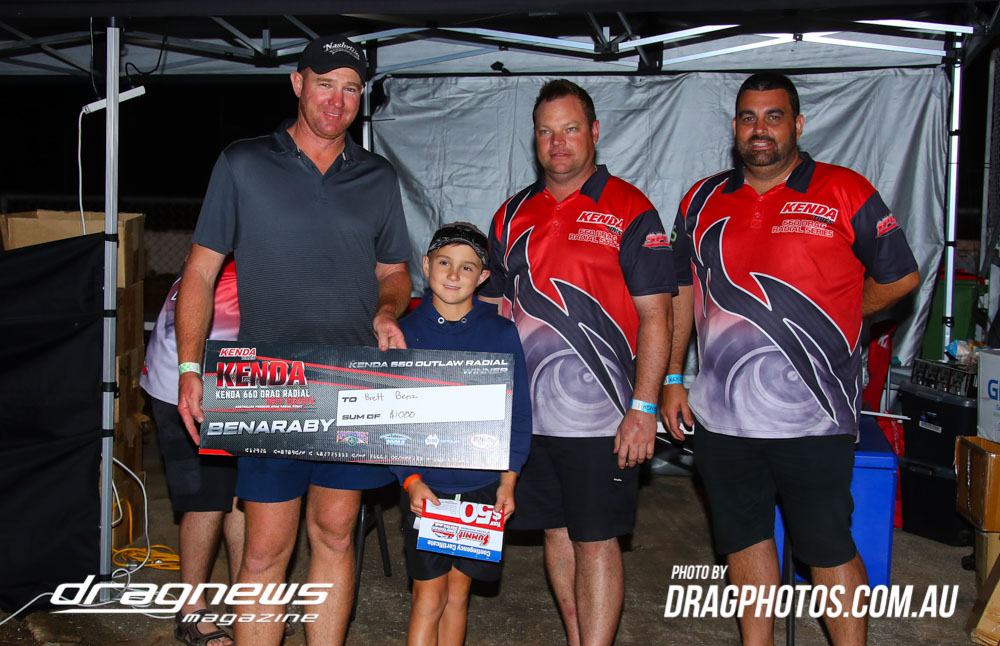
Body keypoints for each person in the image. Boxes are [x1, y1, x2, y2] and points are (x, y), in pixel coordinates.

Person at [661, 73, 920, 646]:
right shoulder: (700, 199)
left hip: (815, 413)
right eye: (748, 118)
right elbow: (682, 290)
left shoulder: (845, 190)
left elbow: (901, 275)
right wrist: (674, 375)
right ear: (735, 127)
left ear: (797, 125)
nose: (760, 129)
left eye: (774, 117)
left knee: (826, 544)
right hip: (723, 416)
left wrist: (844, 316)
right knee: (743, 540)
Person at [174, 34, 412, 646]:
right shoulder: (243, 162)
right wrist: (189, 369)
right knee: (263, 550)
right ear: (298, 83)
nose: (337, 100)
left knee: (335, 535)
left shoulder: (378, 176)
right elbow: (199, 272)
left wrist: (388, 311)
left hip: (350, 382)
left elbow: (394, 271)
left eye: (351, 88)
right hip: (265, 381)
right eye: (325, 84)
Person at [480, 79, 676, 646]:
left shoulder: (631, 209)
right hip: (529, 418)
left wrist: (644, 408)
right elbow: (492, 311)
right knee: (555, 532)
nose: (558, 142)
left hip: (603, 419)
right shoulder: (511, 214)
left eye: (569, 129)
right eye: (546, 131)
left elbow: (657, 316)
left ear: (593, 132)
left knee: (596, 539)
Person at [390, 222, 531, 646]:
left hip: (482, 487)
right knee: (428, 597)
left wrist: (508, 480)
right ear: (425, 264)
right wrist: (411, 480)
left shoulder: (501, 333)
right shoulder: (403, 334)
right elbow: (391, 420)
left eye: (467, 267)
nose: (453, 275)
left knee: (457, 595)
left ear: (483, 276)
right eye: (444, 263)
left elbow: (517, 413)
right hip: (426, 488)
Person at [140, 256, 243, 646]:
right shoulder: (241, 231)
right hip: (187, 377)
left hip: (243, 374)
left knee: (245, 492)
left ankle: (247, 600)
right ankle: (191, 611)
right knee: (206, 497)